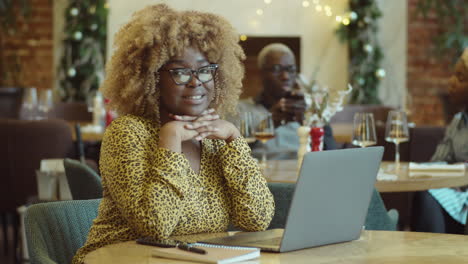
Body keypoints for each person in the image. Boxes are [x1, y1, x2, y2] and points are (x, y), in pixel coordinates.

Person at [72, 4, 274, 263]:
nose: (195, 81)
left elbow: (257, 219)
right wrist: (170, 138)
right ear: (151, 78)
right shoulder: (127, 133)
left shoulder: (217, 139)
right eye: (180, 71)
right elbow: (156, 226)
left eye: (204, 70)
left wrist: (235, 139)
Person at [237, 43, 337, 160]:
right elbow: (232, 155)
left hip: (305, 172)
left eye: (290, 69)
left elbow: (332, 153)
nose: (285, 76)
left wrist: (309, 121)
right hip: (262, 175)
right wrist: (269, 123)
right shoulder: (240, 109)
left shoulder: (310, 110)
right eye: (276, 69)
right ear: (262, 73)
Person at [411, 48, 468, 234]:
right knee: (424, 193)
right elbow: (437, 161)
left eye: (460, 78)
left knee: (427, 196)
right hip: (456, 190)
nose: (451, 82)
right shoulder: (458, 121)